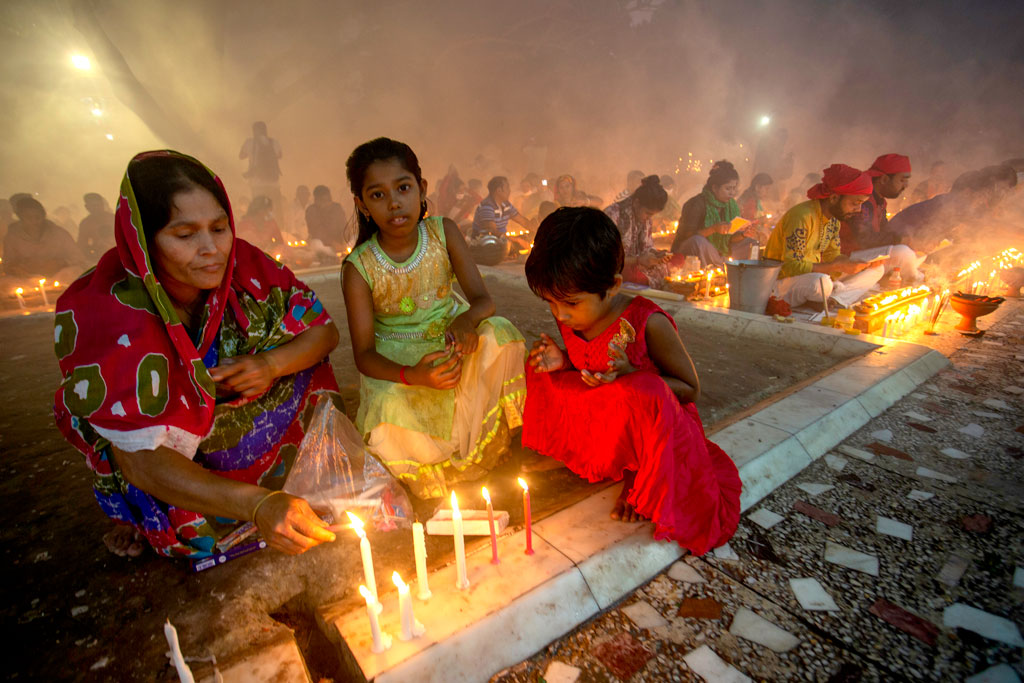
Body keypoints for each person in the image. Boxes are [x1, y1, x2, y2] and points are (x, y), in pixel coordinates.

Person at [53, 150, 341, 559]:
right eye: (185, 235)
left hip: (246, 429)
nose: (212, 249)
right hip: (168, 461)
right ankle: (190, 512)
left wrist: (269, 364)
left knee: (302, 364)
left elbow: (323, 332)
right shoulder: (108, 310)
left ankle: (290, 486)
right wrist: (255, 505)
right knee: (133, 449)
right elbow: (139, 458)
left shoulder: (247, 265)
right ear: (143, 240)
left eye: (219, 228)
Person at [521, 207, 740, 555]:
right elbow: (586, 359)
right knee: (536, 364)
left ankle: (639, 479)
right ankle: (586, 458)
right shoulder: (573, 310)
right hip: (610, 409)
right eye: (550, 303)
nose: (559, 315)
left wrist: (632, 375)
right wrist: (561, 359)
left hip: (657, 425)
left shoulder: (647, 322)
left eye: (570, 304)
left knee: (643, 390)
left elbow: (689, 388)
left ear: (612, 287)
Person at [341, 137, 527, 499]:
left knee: (500, 334)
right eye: (378, 195)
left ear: (421, 189)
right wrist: (413, 377)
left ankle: (484, 444)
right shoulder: (359, 268)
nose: (394, 202)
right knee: (388, 405)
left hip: (452, 345)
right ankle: (431, 462)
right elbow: (363, 356)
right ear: (361, 205)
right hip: (397, 363)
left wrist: (467, 321)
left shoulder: (444, 232)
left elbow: (483, 300)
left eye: (403, 188)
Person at [764, 164, 886, 308]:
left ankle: (835, 300)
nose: (858, 210)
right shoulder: (802, 216)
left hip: (810, 278)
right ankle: (828, 296)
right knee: (821, 283)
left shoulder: (834, 220)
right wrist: (836, 265)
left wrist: (856, 264)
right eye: (855, 203)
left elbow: (832, 255)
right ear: (834, 198)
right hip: (780, 282)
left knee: (877, 270)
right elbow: (790, 266)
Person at [838, 154, 925, 281]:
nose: (906, 185)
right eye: (902, 180)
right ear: (884, 179)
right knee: (903, 252)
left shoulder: (880, 201)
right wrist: (900, 240)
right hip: (845, 258)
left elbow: (885, 231)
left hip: (866, 255)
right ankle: (916, 280)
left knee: (916, 252)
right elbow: (865, 239)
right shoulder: (864, 199)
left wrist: (909, 240)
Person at [671, 161, 759, 267]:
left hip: (718, 251)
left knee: (750, 243)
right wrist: (713, 229)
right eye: (728, 188)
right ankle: (716, 268)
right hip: (691, 249)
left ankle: (737, 270)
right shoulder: (696, 204)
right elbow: (688, 236)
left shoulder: (731, 205)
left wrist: (743, 234)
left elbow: (730, 239)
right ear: (714, 188)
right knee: (698, 242)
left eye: (734, 188)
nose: (732, 193)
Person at [604, 175, 671, 286]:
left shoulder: (646, 219)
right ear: (636, 203)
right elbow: (604, 257)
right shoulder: (613, 214)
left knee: (673, 263)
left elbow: (647, 247)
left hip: (638, 266)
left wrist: (658, 255)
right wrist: (637, 260)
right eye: (648, 213)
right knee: (631, 275)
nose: (649, 218)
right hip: (615, 268)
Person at [3, 196, 87, 281]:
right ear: (20, 217)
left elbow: (80, 259)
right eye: (28, 217)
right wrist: (17, 270)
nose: (34, 221)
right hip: (26, 280)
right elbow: (8, 263)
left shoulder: (59, 233)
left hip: (58, 277)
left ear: (43, 215)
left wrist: (60, 263)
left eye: (37, 217)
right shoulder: (13, 236)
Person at [239, 121, 283, 219]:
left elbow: (241, 155)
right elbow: (280, 155)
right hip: (273, 183)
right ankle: (276, 227)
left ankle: (261, 229)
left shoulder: (250, 142)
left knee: (259, 209)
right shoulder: (274, 142)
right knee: (274, 209)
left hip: (257, 183)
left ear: (254, 131)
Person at [305, 185, 349, 252]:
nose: (327, 203)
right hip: (321, 246)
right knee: (316, 243)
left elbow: (344, 226)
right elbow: (317, 231)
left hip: (340, 245)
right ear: (316, 200)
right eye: (323, 200)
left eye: (329, 199)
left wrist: (345, 241)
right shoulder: (311, 210)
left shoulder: (337, 208)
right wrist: (333, 243)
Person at [77, 193, 116, 260]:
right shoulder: (86, 223)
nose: (97, 208)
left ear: (102, 205)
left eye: (98, 205)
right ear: (87, 207)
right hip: (99, 257)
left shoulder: (112, 218)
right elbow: (82, 245)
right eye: (93, 205)